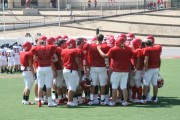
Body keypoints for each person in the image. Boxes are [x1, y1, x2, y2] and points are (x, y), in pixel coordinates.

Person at [97, 37, 133, 106]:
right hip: (125, 71)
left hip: (116, 70)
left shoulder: (114, 49)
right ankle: (125, 101)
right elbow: (132, 56)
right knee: (124, 87)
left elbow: (105, 56)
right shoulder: (128, 49)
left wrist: (99, 49)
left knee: (114, 86)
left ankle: (113, 101)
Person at [30, 39, 58, 107]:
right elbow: (56, 59)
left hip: (40, 68)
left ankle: (39, 101)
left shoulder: (37, 49)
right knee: (48, 86)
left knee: (40, 85)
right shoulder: (50, 48)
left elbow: (34, 59)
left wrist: (41, 58)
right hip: (48, 67)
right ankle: (50, 102)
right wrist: (49, 60)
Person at [85, 34, 110, 105]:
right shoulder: (106, 46)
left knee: (93, 84)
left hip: (93, 67)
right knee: (102, 84)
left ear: (96, 38)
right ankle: (102, 100)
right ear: (103, 39)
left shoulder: (91, 46)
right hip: (102, 67)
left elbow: (87, 55)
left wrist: (88, 65)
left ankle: (91, 100)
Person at [61, 39, 83, 107]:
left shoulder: (63, 50)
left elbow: (62, 60)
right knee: (72, 87)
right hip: (71, 70)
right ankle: (70, 101)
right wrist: (82, 69)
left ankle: (71, 100)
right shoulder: (74, 51)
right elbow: (77, 61)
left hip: (65, 69)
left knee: (69, 86)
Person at [142, 36, 162, 103]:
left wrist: (145, 67)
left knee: (145, 84)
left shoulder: (147, 49)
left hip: (150, 69)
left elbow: (146, 60)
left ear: (145, 44)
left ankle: (144, 98)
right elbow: (159, 59)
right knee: (155, 83)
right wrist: (159, 67)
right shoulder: (157, 49)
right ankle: (155, 97)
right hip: (156, 68)